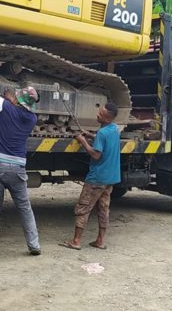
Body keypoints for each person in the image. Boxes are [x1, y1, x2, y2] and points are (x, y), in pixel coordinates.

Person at [60, 103, 121, 250]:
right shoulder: (114, 129)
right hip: (110, 178)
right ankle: (100, 241)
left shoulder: (102, 133)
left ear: (106, 118)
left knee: (83, 207)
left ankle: (76, 241)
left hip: (97, 178)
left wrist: (83, 142)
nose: (97, 115)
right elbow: (105, 141)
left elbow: (96, 155)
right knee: (103, 209)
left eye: (100, 114)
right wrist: (91, 135)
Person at [0, 86, 41, 255]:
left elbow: (6, 99)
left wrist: (9, 98)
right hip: (17, 168)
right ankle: (34, 245)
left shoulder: (6, 107)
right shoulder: (32, 118)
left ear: (17, 100)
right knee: (24, 207)